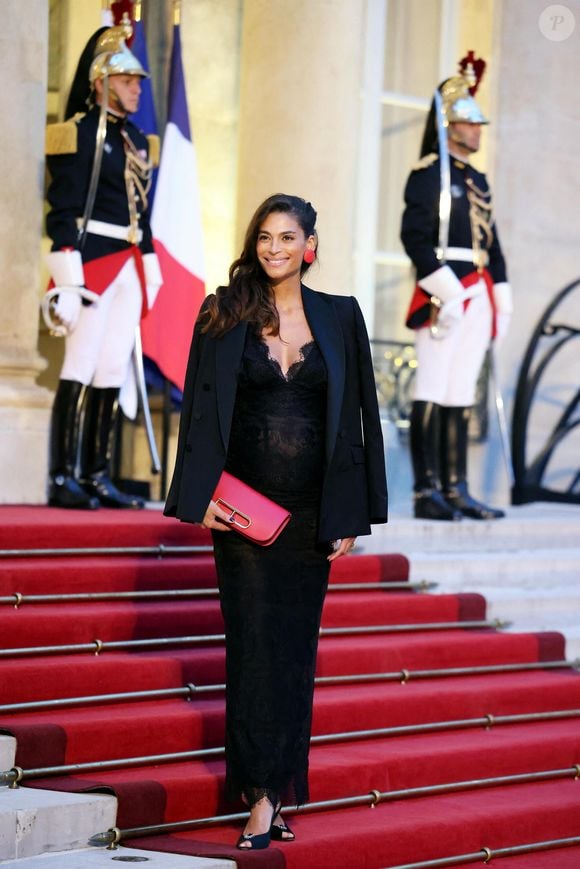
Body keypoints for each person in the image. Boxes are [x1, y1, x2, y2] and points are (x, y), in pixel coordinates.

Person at [165, 194, 388, 850]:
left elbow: (361, 418)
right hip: (243, 513)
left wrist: (356, 511)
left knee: (295, 655)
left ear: (308, 245)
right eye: (264, 236)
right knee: (254, 648)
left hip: (313, 515)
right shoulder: (224, 310)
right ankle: (259, 796)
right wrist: (195, 494)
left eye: (287, 237)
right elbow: (199, 409)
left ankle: (280, 786)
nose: (273, 248)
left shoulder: (341, 317)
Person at [43, 21, 162, 509]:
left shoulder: (138, 139)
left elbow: (144, 212)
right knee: (81, 361)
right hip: (92, 261)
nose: (137, 89)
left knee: (112, 365)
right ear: (102, 81)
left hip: (131, 263)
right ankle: (61, 475)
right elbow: (63, 209)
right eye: (129, 80)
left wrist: (151, 264)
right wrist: (67, 278)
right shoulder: (74, 134)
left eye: (138, 82)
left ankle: (96, 474)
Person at [400, 53, 512, 521]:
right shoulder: (429, 177)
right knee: (432, 386)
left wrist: (502, 296)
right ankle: (427, 492)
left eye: (479, 124)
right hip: (445, 293)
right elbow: (415, 239)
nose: (478, 131)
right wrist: (446, 292)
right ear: (449, 126)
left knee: (461, 392)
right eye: (470, 124)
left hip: (478, 291)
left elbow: (494, 243)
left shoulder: (477, 180)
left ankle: (456, 487)